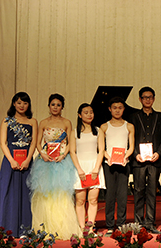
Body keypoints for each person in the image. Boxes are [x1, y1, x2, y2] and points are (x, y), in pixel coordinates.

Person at [27, 94, 79, 240]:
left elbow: (69, 142)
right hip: (45, 161)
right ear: (49, 106)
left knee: (62, 193)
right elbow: (37, 143)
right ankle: (45, 227)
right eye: (53, 104)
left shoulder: (67, 122)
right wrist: (43, 154)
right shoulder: (43, 122)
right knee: (45, 193)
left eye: (58, 105)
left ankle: (61, 227)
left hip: (62, 161)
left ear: (62, 107)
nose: (55, 107)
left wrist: (63, 155)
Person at [0, 92, 38, 236]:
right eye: (19, 103)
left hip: (26, 161)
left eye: (25, 103)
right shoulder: (7, 121)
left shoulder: (32, 121)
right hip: (10, 161)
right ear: (14, 104)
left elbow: (33, 143)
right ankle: (7, 228)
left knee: (26, 194)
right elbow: (3, 143)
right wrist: (11, 160)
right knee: (9, 193)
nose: (22, 106)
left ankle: (25, 229)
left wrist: (28, 160)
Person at [127, 87, 161, 234]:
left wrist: (159, 153)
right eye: (145, 97)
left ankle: (150, 222)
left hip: (155, 160)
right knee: (138, 191)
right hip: (138, 160)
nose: (147, 100)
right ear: (140, 99)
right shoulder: (132, 117)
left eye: (150, 97)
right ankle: (138, 223)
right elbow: (129, 139)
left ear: (154, 99)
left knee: (152, 191)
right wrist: (135, 154)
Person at [99, 96, 134, 233]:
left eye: (120, 108)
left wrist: (125, 157)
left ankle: (120, 224)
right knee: (109, 195)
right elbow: (101, 148)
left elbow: (131, 147)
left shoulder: (129, 126)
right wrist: (109, 158)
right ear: (110, 109)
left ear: (124, 109)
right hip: (109, 164)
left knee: (122, 196)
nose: (117, 110)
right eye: (114, 108)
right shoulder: (104, 127)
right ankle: (109, 225)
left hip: (124, 164)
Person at [69, 103, 105, 233]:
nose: (89, 115)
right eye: (86, 112)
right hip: (80, 168)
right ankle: (81, 228)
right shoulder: (74, 132)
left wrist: (96, 168)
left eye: (91, 112)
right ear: (79, 115)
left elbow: (101, 151)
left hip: (95, 167)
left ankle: (90, 228)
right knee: (80, 201)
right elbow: (72, 152)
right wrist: (79, 169)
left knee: (93, 200)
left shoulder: (98, 131)